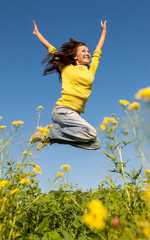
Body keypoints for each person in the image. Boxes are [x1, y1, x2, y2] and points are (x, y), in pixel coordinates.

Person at [30, 20, 107, 151]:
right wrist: (38, 34)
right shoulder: (66, 67)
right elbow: (52, 49)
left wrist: (104, 32)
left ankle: (52, 138)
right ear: (76, 56)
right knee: (91, 132)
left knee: (95, 143)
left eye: (88, 51)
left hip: (75, 116)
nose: (87, 53)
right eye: (83, 51)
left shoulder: (90, 70)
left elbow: (97, 52)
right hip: (62, 111)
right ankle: (49, 133)